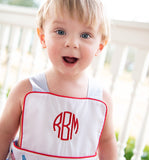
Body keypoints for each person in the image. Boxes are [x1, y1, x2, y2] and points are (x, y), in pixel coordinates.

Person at [0, 0, 117, 159]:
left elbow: (107, 141)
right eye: (60, 32)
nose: (72, 43)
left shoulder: (101, 100)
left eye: (85, 35)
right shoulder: (26, 90)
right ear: (43, 37)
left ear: (100, 46)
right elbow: (4, 133)